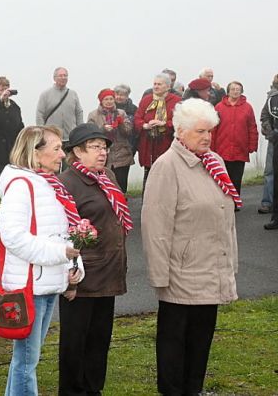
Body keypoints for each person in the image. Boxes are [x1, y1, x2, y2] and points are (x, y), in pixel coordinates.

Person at [141, 98, 238, 395]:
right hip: (180, 275)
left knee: (201, 341)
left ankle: (193, 390)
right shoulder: (166, 167)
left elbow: (225, 218)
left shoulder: (215, 162)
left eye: (209, 131)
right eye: (200, 132)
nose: (207, 137)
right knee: (174, 344)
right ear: (180, 132)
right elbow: (155, 225)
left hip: (210, 270)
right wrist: (160, 276)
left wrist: (229, 265)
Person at [0, 125, 83, 396]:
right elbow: (13, 237)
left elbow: (60, 232)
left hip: (45, 283)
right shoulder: (22, 186)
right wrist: (60, 254)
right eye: (56, 148)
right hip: (29, 286)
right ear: (35, 152)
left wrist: (72, 267)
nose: (63, 155)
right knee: (26, 361)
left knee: (25, 360)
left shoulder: (45, 183)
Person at [58, 123, 132, 396]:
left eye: (105, 147)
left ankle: (93, 388)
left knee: (100, 338)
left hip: (109, 271)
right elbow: (63, 232)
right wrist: (69, 275)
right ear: (77, 151)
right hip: (82, 275)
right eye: (95, 147)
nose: (102, 153)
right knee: (75, 340)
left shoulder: (108, 176)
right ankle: (72, 390)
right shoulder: (67, 183)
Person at [134, 73, 182, 191]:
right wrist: (144, 125)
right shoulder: (146, 100)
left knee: (167, 176)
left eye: (159, 84)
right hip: (149, 144)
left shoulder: (176, 101)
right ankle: (146, 203)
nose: (156, 87)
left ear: (167, 86)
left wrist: (164, 124)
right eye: (154, 84)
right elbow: (137, 117)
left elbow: (181, 120)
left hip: (167, 144)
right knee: (149, 175)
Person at [212, 81, 258, 199]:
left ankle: (234, 201)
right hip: (222, 147)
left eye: (238, 89)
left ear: (241, 91)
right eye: (233, 89)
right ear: (228, 91)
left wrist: (253, 145)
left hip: (240, 147)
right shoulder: (219, 107)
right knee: (223, 176)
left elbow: (252, 127)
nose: (235, 91)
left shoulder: (247, 107)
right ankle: (223, 200)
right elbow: (213, 128)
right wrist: (211, 147)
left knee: (236, 177)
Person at [87, 89, 133, 192]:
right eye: (106, 99)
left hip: (121, 154)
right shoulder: (93, 115)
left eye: (111, 99)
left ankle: (122, 205)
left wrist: (121, 124)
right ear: (101, 101)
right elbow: (90, 135)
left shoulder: (121, 113)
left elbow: (128, 132)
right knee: (103, 184)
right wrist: (103, 129)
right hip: (101, 154)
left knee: (121, 185)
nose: (109, 101)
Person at [35, 67, 84, 143]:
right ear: (54, 78)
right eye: (60, 76)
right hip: (52, 139)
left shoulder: (73, 94)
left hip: (71, 138)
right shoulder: (45, 94)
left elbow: (79, 113)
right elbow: (40, 114)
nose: (63, 78)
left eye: (65, 75)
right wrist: (42, 133)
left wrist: (80, 131)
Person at [260, 75, 278, 229]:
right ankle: (275, 216)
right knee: (273, 175)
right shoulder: (272, 98)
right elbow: (264, 116)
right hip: (276, 141)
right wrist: (271, 133)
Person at [114, 84, 139, 154]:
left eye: (122, 95)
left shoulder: (134, 109)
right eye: (117, 94)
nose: (119, 97)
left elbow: (136, 128)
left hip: (128, 143)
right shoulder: (108, 107)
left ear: (127, 96)